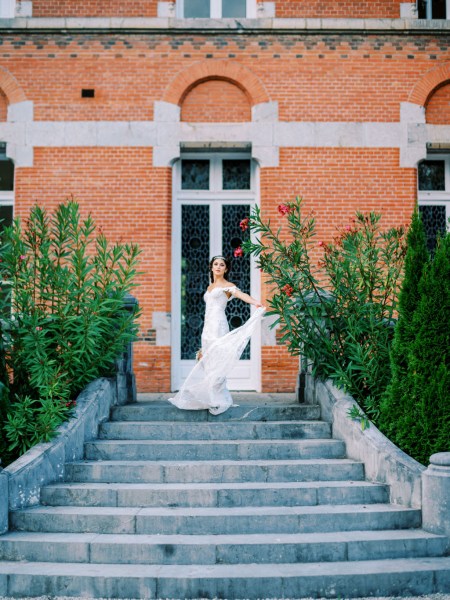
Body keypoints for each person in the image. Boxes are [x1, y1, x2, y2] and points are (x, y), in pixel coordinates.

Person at [168, 255, 265, 415]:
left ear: (226, 269)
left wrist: (256, 302)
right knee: (208, 360)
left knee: (218, 358)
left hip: (219, 325)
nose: (218, 267)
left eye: (222, 265)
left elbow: (242, 295)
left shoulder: (228, 286)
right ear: (211, 267)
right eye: (216, 264)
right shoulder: (210, 287)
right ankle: (211, 395)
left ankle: (218, 398)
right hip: (207, 327)